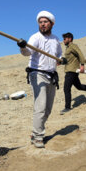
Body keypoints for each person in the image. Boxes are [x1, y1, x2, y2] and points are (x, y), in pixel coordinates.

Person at [17, 10, 63, 148]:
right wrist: (22, 47)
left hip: (51, 75)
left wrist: (61, 60)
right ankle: (38, 137)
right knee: (41, 106)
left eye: (45, 22)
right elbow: (27, 53)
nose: (42, 24)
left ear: (51, 24)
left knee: (48, 108)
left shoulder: (55, 39)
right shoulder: (35, 38)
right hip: (37, 74)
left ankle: (35, 132)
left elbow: (59, 55)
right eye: (40, 22)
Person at [60, 32, 86, 115]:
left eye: (65, 39)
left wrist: (82, 65)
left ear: (70, 39)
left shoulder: (73, 46)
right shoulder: (68, 48)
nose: (63, 40)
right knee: (79, 87)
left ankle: (67, 107)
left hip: (72, 71)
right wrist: (61, 62)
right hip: (71, 70)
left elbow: (80, 54)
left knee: (66, 88)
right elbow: (69, 60)